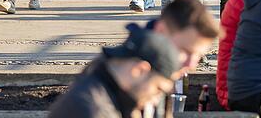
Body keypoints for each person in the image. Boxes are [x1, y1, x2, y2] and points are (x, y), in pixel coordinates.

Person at [48, 27, 180, 118]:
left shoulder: (101, 82)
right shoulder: (94, 111)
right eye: (158, 88)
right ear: (139, 70)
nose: (156, 99)